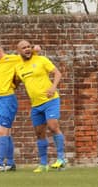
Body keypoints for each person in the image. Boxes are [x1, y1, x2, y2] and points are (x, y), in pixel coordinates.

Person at [15, 40, 65, 173]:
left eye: (28, 47)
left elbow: (57, 73)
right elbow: (16, 81)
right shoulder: (18, 67)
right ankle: (43, 164)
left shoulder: (41, 59)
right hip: (36, 105)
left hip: (50, 100)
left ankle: (61, 159)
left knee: (53, 126)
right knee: (39, 133)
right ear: (18, 51)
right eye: (23, 48)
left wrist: (53, 87)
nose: (27, 49)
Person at [0, 41, 25, 172]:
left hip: (8, 98)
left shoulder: (11, 59)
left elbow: (26, 55)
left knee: (3, 131)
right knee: (4, 132)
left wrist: (36, 49)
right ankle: (11, 163)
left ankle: (0, 163)